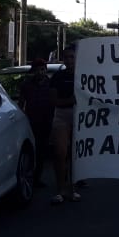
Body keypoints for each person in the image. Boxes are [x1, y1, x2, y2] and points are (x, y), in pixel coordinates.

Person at [49, 45, 80, 204]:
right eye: (66, 57)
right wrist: (71, 100)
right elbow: (54, 101)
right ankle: (61, 190)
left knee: (76, 155)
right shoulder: (57, 77)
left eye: (72, 57)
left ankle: (73, 189)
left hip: (81, 117)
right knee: (60, 153)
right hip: (62, 116)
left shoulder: (84, 75)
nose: (69, 60)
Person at [17, 59, 54, 188]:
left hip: (47, 122)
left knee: (42, 151)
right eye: (37, 70)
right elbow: (21, 103)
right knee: (31, 150)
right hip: (31, 122)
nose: (40, 72)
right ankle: (29, 176)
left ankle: (37, 178)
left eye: (42, 69)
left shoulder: (50, 84)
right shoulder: (26, 85)